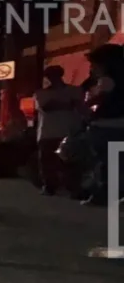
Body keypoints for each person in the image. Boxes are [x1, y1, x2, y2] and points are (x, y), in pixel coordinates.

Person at [77, 44, 124, 205]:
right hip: (120, 125)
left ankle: (103, 195)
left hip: (105, 126)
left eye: (94, 64)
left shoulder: (106, 80)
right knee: (118, 163)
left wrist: (84, 107)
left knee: (102, 163)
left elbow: (96, 100)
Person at [33, 65, 84, 195]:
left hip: (65, 132)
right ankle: (51, 186)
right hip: (50, 132)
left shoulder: (74, 90)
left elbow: (78, 106)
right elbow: (47, 107)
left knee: (67, 162)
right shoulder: (41, 93)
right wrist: (69, 104)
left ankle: (68, 187)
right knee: (49, 162)